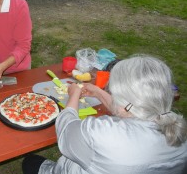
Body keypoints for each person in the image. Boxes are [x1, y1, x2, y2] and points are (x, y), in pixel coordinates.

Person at [22, 55, 187, 174]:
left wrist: (73, 95)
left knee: (29, 162)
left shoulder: (101, 133)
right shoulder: (174, 124)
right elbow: (132, 110)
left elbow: (66, 128)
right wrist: (98, 92)